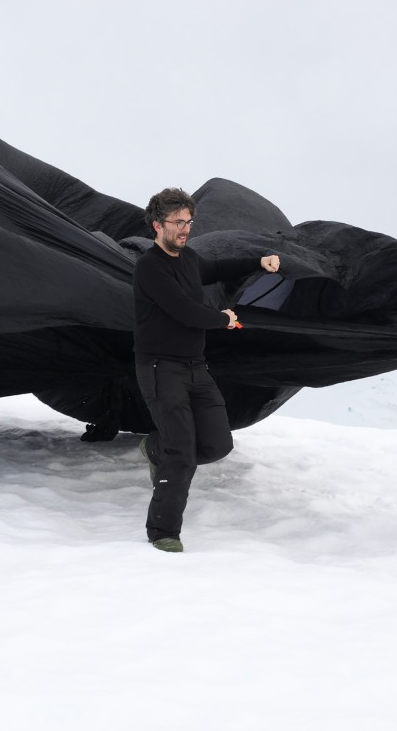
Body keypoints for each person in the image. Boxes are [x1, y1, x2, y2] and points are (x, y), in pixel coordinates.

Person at [133, 188, 281, 552]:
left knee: (217, 444)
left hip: (196, 368)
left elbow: (216, 269)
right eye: (178, 222)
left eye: (189, 221)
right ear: (158, 225)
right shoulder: (150, 267)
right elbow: (183, 311)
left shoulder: (188, 258)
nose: (185, 229)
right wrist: (222, 319)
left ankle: (155, 448)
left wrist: (258, 261)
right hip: (160, 368)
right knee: (182, 451)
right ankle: (163, 532)